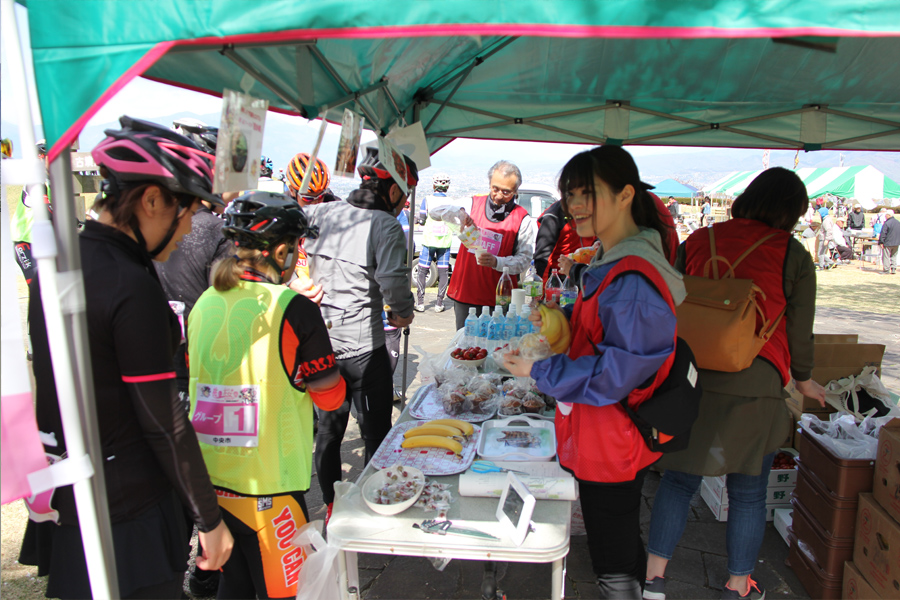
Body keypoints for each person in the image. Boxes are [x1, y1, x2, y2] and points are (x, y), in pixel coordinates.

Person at [19, 116, 233, 599]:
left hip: (76, 494)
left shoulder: (59, 264)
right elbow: (165, 420)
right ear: (152, 199)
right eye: (187, 212)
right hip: (132, 511)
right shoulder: (131, 284)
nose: (186, 232)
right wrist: (210, 519)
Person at [502, 145, 685, 598]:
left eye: (588, 193)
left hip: (613, 436)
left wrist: (539, 371)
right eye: (570, 194)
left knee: (613, 561)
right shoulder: (610, 257)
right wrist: (556, 322)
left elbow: (616, 373)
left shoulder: (633, 275)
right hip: (601, 430)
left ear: (625, 195)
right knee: (618, 538)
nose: (575, 205)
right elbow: (599, 336)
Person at [644, 167, 827, 600]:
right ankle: (738, 586)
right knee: (748, 491)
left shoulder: (700, 239)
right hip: (756, 380)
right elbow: (801, 329)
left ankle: (653, 579)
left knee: (678, 479)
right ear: (792, 210)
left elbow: (666, 299)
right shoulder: (792, 253)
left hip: (689, 374)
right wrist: (803, 380)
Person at [188, 192, 345, 599]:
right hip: (270, 490)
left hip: (211, 484)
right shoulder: (294, 308)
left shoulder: (204, 302)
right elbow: (329, 397)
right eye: (296, 247)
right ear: (280, 250)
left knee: (234, 588)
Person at [302, 146, 418, 520]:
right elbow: (393, 282)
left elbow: (290, 253)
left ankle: (334, 506)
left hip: (321, 346)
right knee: (375, 434)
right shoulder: (384, 225)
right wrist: (403, 312)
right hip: (364, 350)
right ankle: (370, 508)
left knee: (328, 432)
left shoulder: (319, 210)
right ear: (396, 189)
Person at [153, 120, 231, 597]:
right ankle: (205, 568)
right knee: (198, 462)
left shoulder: (159, 228)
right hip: (202, 362)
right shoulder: (214, 229)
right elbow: (234, 290)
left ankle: (188, 565)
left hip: (160, 360)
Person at [436, 160, 536, 331]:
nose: (498, 195)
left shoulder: (522, 219)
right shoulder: (472, 203)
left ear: (516, 191)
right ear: (489, 183)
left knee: (498, 349)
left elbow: (524, 260)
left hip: (500, 300)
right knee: (465, 347)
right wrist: (459, 214)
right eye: (495, 188)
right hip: (466, 294)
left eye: (506, 192)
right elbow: (435, 212)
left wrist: (497, 262)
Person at [284, 152, 339, 305]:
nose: (315, 203)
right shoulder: (283, 212)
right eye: (308, 198)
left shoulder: (335, 207)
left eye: (320, 196)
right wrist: (291, 282)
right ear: (292, 191)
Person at [415, 172, 454, 312]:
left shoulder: (427, 199)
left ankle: (420, 303)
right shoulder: (451, 201)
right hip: (445, 241)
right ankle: (439, 303)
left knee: (422, 270)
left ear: (434, 185)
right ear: (447, 187)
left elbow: (422, 218)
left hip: (429, 240)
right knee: (443, 272)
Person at [533, 199, 596, 281]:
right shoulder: (553, 216)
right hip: (559, 277)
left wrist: (597, 242)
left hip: (586, 272)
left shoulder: (593, 210)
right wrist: (543, 290)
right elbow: (543, 259)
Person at [815, 205, 836, 270]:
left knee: (820, 253)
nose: (819, 215)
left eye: (820, 213)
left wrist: (827, 239)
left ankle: (822, 266)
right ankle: (830, 263)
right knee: (822, 253)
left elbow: (829, 230)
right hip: (824, 238)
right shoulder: (826, 219)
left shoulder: (826, 221)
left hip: (824, 239)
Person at [879, 209, 898, 274]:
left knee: (886, 256)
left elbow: (883, 233)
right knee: (894, 256)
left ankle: (886, 270)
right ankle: (893, 269)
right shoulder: (898, 222)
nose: (885, 216)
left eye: (886, 215)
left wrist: (881, 242)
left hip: (888, 242)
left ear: (888, 215)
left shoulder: (887, 223)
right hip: (896, 243)